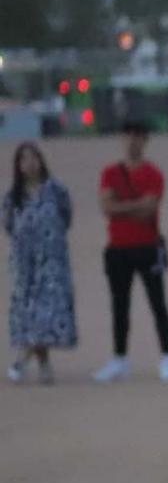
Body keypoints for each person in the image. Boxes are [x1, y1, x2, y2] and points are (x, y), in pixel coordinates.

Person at [95, 121, 168, 382]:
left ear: (145, 141)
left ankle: (167, 356)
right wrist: (135, 205)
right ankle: (120, 359)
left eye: (138, 137)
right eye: (129, 136)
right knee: (119, 306)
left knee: (158, 303)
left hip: (147, 246)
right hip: (118, 249)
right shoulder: (110, 173)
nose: (133, 141)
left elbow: (149, 209)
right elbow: (107, 207)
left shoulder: (154, 174)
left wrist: (122, 206)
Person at [6, 141, 77, 383]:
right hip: (27, 267)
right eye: (24, 159)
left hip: (52, 265)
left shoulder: (56, 190)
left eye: (34, 157)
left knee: (46, 316)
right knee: (31, 316)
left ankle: (22, 361)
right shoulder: (13, 196)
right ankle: (44, 365)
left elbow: (66, 216)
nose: (30, 163)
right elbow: (8, 225)